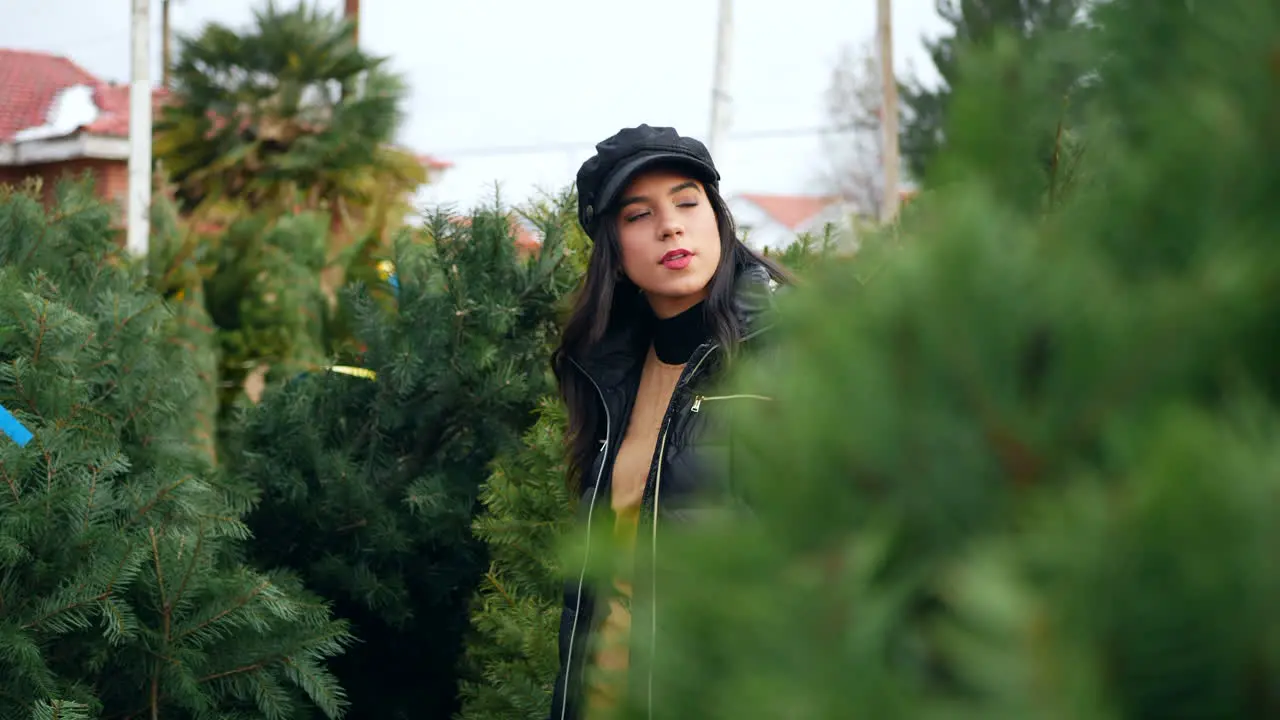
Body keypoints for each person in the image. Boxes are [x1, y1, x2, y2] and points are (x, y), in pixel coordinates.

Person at [548, 125, 789, 720]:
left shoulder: (789, 354)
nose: (670, 225)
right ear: (615, 252)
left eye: (687, 202)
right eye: (639, 215)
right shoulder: (608, 377)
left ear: (717, 219)